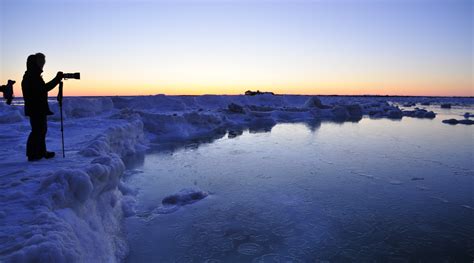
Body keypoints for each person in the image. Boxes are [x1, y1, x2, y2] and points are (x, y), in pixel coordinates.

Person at [21, 53, 63, 161]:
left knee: (41, 130)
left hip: (37, 107)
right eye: (41, 62)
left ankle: (40, 152)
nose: (43, 64)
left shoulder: (33, 75)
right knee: (37, 131)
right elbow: (43, 88)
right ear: (35, 63)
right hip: (35, 108)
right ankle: (33, 155)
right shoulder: (32, 76)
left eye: (43, 62)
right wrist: (57, 79)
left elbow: (41, 89)